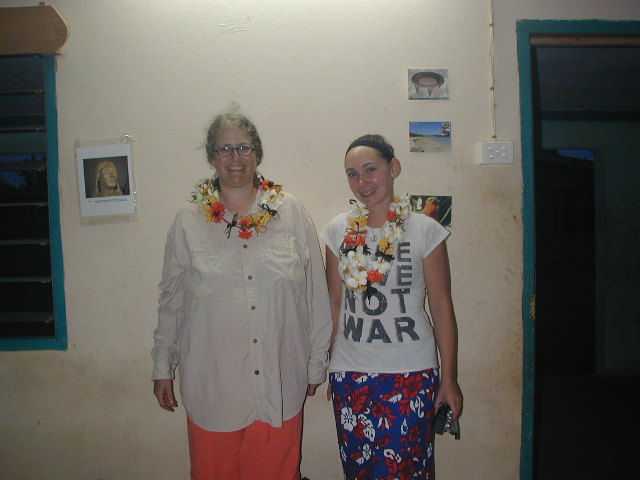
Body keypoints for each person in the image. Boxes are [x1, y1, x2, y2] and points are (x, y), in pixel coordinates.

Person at [152, 107, 332, 480]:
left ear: (257, 153)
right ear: (211, 156)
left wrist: (316, 362)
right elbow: (171, 302)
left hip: (279, 383)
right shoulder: (187, 221)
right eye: (225, 149)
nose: (235, 158)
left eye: (244, 148)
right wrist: (161, 367)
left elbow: (315, 294)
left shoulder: (291, 212)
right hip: (213, 386)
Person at [320, 134, 463, 479]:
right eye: (352, 174)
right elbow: (334, 303)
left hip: (410, 371)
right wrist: (329, 363)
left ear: (393, 168)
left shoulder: (425, 229)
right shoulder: (338, 231)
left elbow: (442, 306)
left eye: (371, 170)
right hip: (350, 374)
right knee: (359, 470)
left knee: (405, 470)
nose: (362, 182)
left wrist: (450, 377)